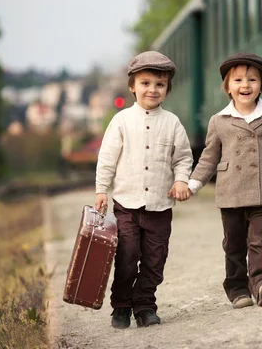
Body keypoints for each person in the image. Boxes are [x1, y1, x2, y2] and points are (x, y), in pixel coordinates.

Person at [188, 53, 262, 309]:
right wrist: (193, 184)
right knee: (234, 244)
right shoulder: (218, 121)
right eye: (237, 80)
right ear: (227, 87)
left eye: (252, 80)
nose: (245, 85)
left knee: (260, 239)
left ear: (261, 85)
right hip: (231, 192)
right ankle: (237, 289)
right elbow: (209, 157)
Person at [95, 51, 193, 329]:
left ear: (167, 89)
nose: (152, 89)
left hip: (160, 207)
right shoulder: (121, 121)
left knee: (154, 261)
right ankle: (122, 306)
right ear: (132, 86)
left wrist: (181, 179)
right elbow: (107, 158)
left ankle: (145, 306)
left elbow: (183, 157)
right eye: (145, 83)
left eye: (159, 84)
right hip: (126, 205)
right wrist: (102, 189)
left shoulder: (172, 123)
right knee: (126, 258)